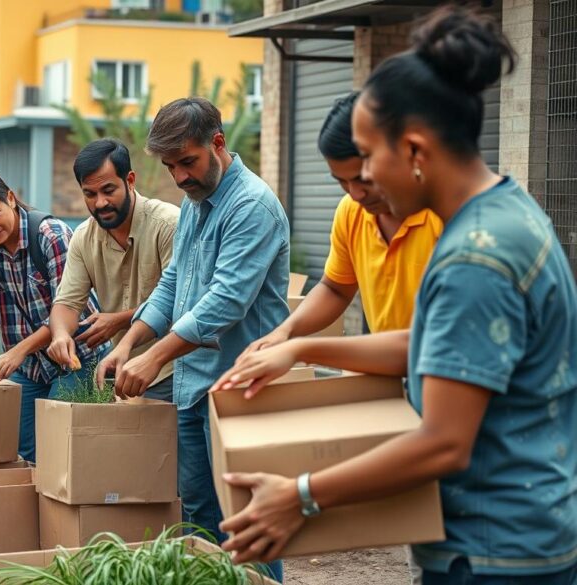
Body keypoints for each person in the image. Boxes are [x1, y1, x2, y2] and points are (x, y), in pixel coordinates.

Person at [212, 8, 576, 585]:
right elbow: (430, 347)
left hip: (494, 552)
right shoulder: (504, 213)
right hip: (518, 534)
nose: (365, 187)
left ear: (412, 150)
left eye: (368, 158)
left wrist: (300, 495)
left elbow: (443, 445)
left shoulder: (473, 259)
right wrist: (302, 349)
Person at [95, 97, 289, 581]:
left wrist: (155, 356)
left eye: (187, 162)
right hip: (192, 388)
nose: (179, 176)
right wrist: (128, 343)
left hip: (241, 388)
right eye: (170, 166)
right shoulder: (197, 203)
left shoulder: (251, 206)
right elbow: (174, 283)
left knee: (248, 521)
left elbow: (226, 302)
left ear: (217, 144)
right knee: (199, 517)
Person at [243, 92, 443, 354]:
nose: (355, 193)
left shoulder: (447, 218)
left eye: (363, 179)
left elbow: (441, 339)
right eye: (342, 181)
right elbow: (336, 288)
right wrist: (285, 332)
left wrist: (301, 350)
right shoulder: (351, 211)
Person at [0, 170, 108, 462]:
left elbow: (70, 309)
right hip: (33, 367)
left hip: (78, 358)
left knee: (59, 445)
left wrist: (18, 351)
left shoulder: (51, 236)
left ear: (10, 197)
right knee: (19, 445)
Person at [47, 138, 179, 402]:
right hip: (123, 371)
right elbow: (67, 303)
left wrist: (120, 319)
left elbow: (181, 301)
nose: (100, 203)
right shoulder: (83, 237)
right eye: (90, 194)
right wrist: (60, 335)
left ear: (130, 180)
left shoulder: (169, 224)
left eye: (108, 190)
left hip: (175, 367)